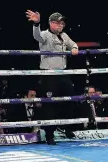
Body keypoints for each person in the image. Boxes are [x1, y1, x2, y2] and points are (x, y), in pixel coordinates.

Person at [25, 10, 78, 144]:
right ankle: (49, 134)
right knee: (49, 105)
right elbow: (36, 36)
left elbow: (73, 44)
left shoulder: (64, 35)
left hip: (63, 74)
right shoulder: (45, 35)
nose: (61, 25)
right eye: (58, 22)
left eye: (62, 23)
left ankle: (67, 127)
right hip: (49, 75)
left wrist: (75, 48)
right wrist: (36, 23)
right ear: (51, 23)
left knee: (70, 101)